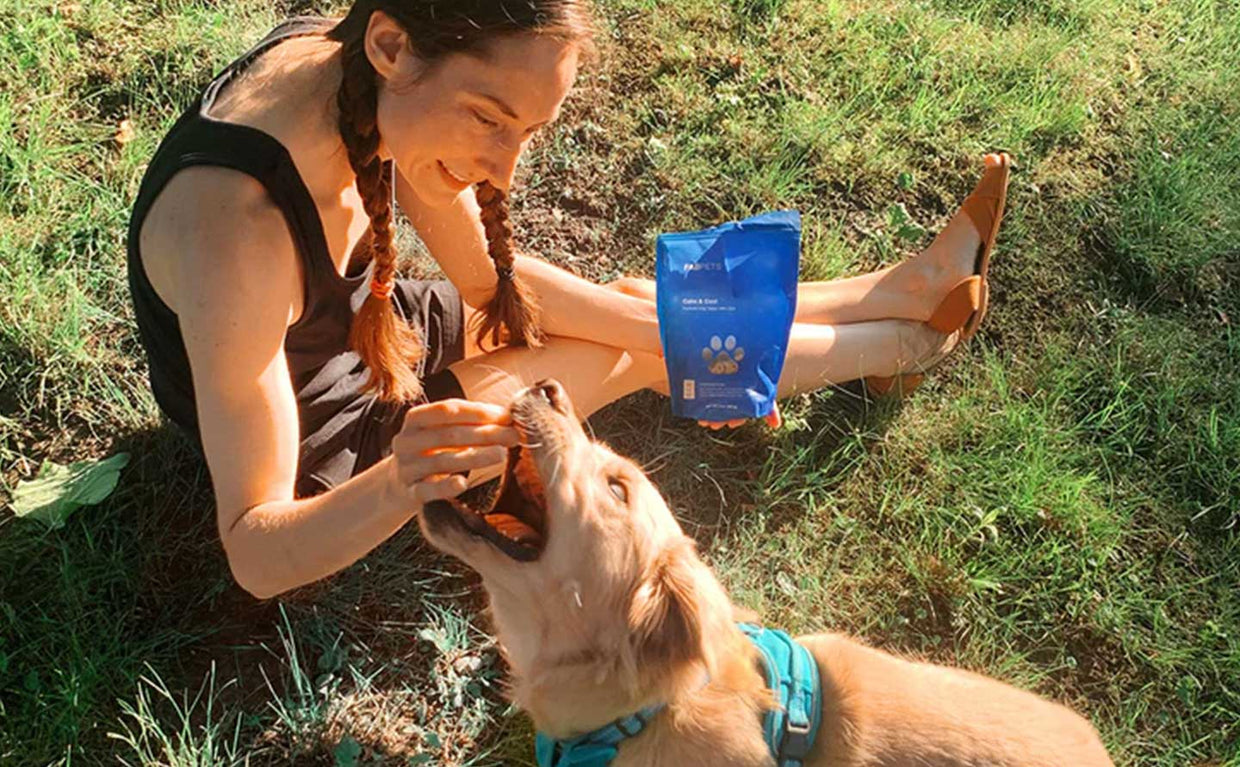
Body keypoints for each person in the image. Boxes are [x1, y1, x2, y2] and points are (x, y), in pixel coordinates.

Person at [127, 1, 1010, 599]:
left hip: (379, 324)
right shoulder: (235, 235)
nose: (504, 170)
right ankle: (906, 343)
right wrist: (405, 479)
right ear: (393, 48)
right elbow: (254, 547)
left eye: (528, 131)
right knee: (618, 353)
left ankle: (898, 296)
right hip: (347, 449)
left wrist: (674, 322)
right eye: (489, 118)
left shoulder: (360, 74)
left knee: (629, 309)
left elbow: (486, 284)